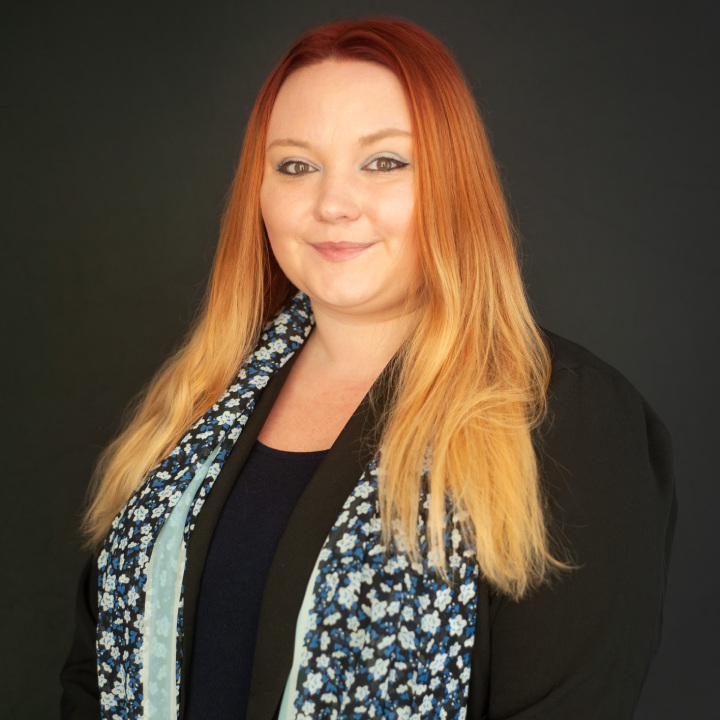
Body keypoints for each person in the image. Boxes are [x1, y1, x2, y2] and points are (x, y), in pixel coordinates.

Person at [60, 17, 676, 720]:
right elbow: (91, 673)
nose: (332, 204)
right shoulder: (196, 404)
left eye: (384, 162)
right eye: (295, 165)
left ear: (453, 183)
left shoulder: (562, 419)